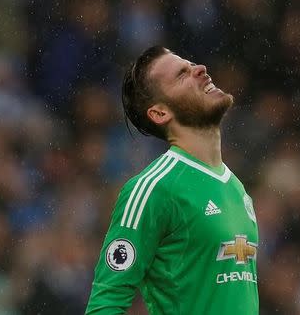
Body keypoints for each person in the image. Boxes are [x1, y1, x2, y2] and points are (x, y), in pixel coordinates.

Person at [85, 46, 259, 314]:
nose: (200, 69)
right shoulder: (153, 189)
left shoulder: (236, 187)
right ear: (160, 113)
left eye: (192, 65)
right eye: (182, 74)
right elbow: (105, 303)